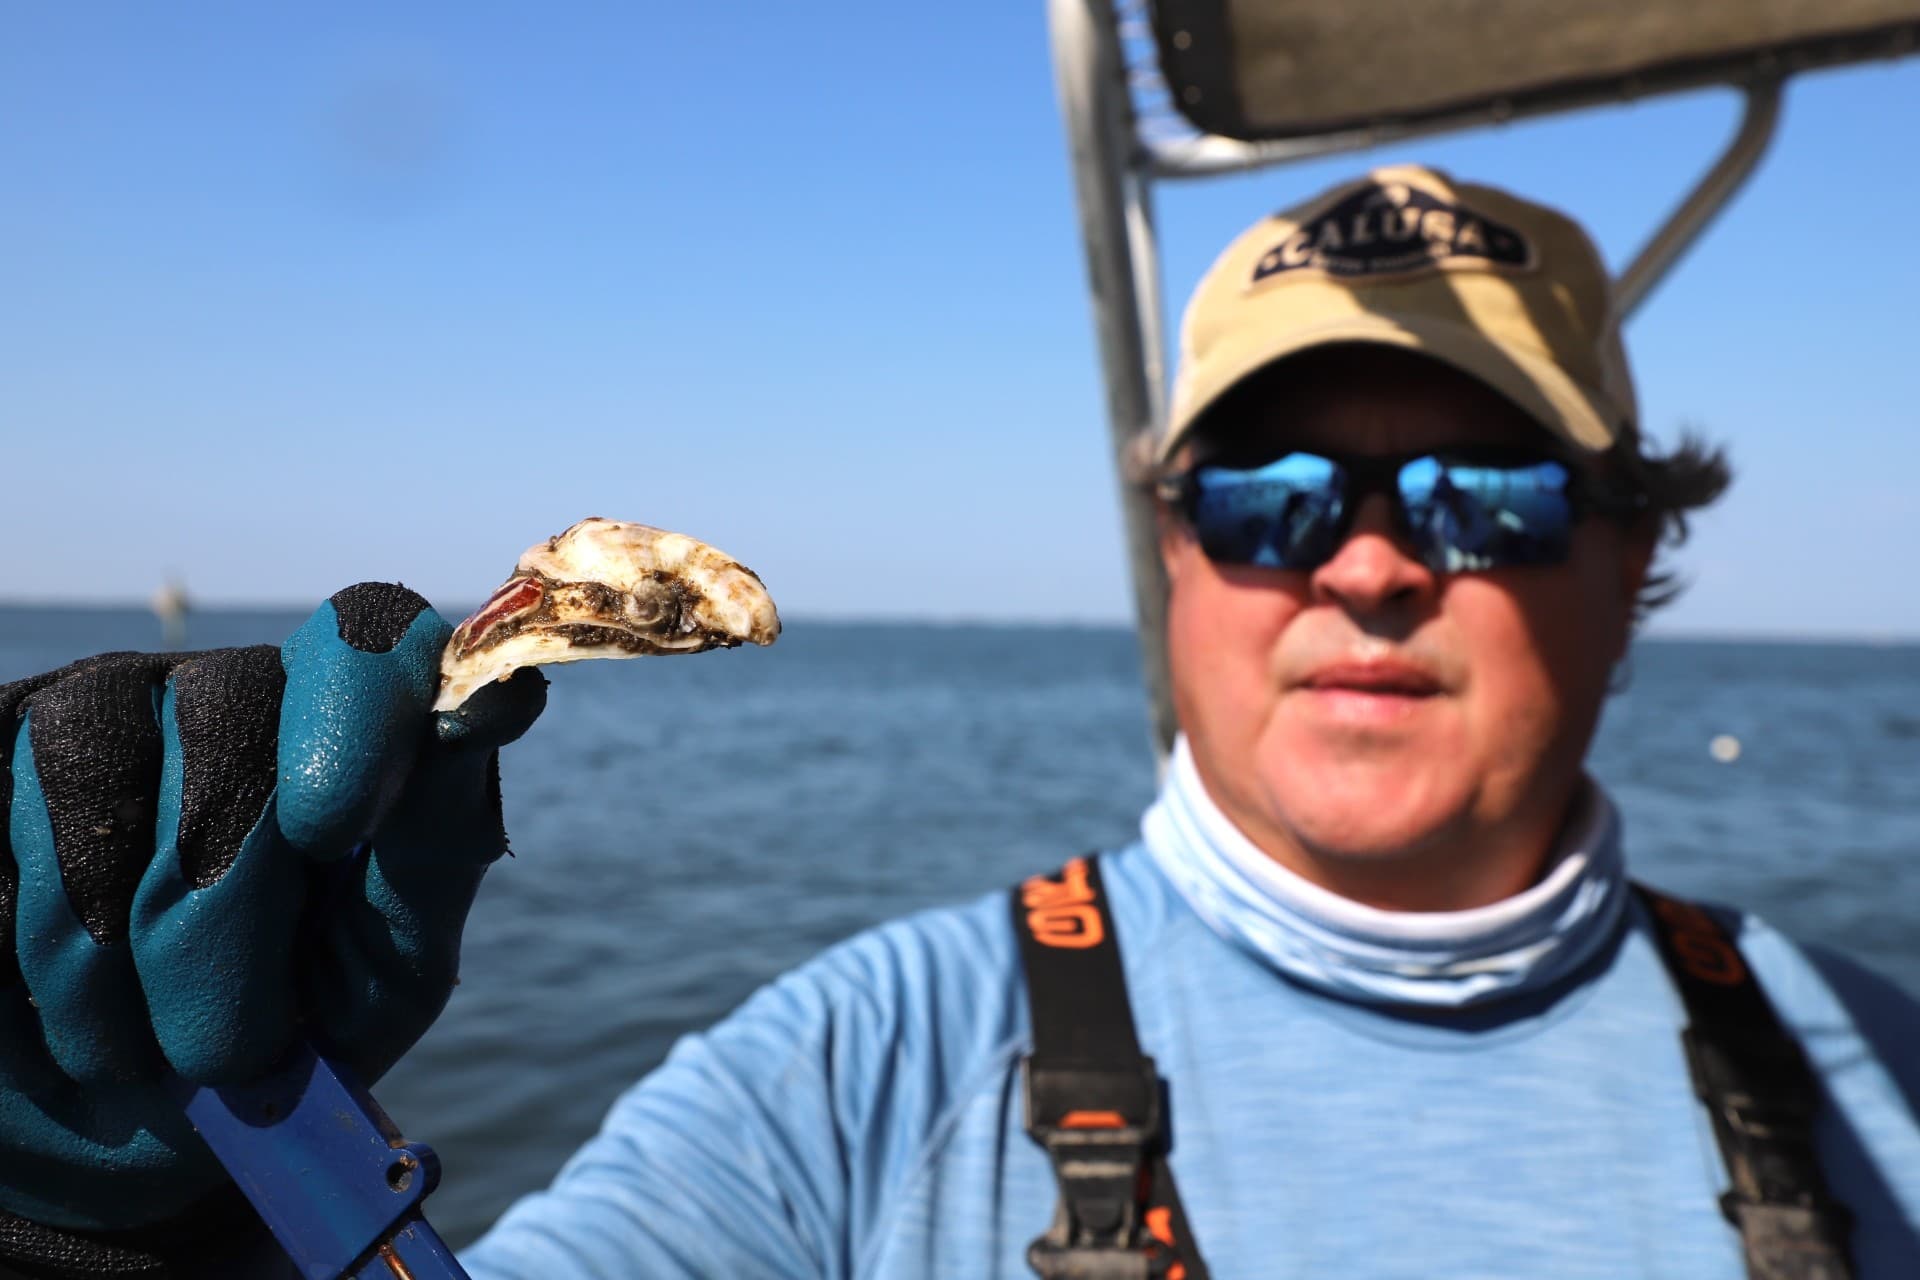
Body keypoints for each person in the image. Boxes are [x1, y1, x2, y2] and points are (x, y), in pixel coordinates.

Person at [1, 165, 1916, 1279]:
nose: (1365, 570)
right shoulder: (855, 1070)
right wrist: (196, 1204)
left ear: (1635, 554)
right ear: (1174, 550)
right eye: (1268, 496)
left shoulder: (1880, 1082)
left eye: (1483, 499)